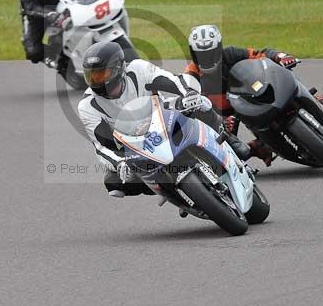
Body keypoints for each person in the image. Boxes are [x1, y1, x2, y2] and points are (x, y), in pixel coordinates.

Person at [77, 41, 252, 198]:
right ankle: (174, 194)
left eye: (101, 75)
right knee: (113, 181)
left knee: (199, 105)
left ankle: (229, 140)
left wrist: (188, 95)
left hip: (165, 118)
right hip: (135, 147)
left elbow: (172, 81)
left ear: (118, 68)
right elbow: (100, 147)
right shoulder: (88, 106)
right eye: (92, 76)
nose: (97, 81)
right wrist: (120, 162)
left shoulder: (138, 69)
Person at [184, 24, 323, 165]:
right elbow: (187, 98)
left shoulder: (231, 53)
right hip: (225, 113)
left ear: (219, 49)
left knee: (281, 71)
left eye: (210, 53)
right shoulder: (191, 74)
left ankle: (312, 99)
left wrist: (280, 56)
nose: (207, 59)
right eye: (201, 55)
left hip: (248, 96)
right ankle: (259, 147)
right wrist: (219, 119)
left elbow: (260, 54)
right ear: (193, 53)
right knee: (233, 153)